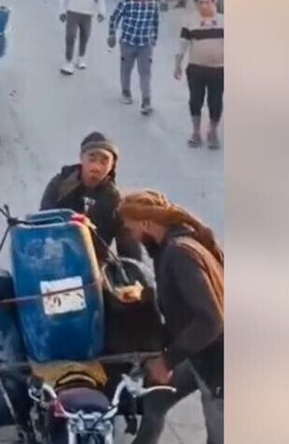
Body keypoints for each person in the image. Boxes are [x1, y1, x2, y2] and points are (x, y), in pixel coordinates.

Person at [117, 190, 224, 444]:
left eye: (130, 228)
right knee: (156, 400)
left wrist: (167, 361)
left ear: (145, 223)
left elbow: (211, 321)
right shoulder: (170, 248)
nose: (131, 236)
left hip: (218, 365)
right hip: (198, 353)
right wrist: (146, 296)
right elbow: (185, 302)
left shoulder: (180, 253)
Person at [39, 133, 143, 261]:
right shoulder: (59, 185)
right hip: (55, 259)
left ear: (112, 165)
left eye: (104, 161)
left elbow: (131, 255)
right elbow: (41, 224)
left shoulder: (117, 201)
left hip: (94, 266)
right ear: (81, 158)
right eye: (92, 159)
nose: (96, 167)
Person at [175, 0, 224, 149]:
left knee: (215, 102)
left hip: (218, 69)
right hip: (196, 69)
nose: (204, 6)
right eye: (201, 3)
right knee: (195, 100)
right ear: (196, 4)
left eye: (207, 2)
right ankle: (196, 132)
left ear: (213, 2)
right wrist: (177, 65)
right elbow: (182, 45)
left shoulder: (224, 21)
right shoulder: (190, 22)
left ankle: (213, 132)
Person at [108, 0, 161, 114]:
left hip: (145, 44)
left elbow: (155, 21)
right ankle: (126, 91)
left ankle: (146, 100)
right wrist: (112, 34)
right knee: (126, 69)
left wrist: (154, 38)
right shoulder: (127, 0)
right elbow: (114, 18)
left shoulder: (153, 2)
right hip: (128, 41)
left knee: (145, 72)